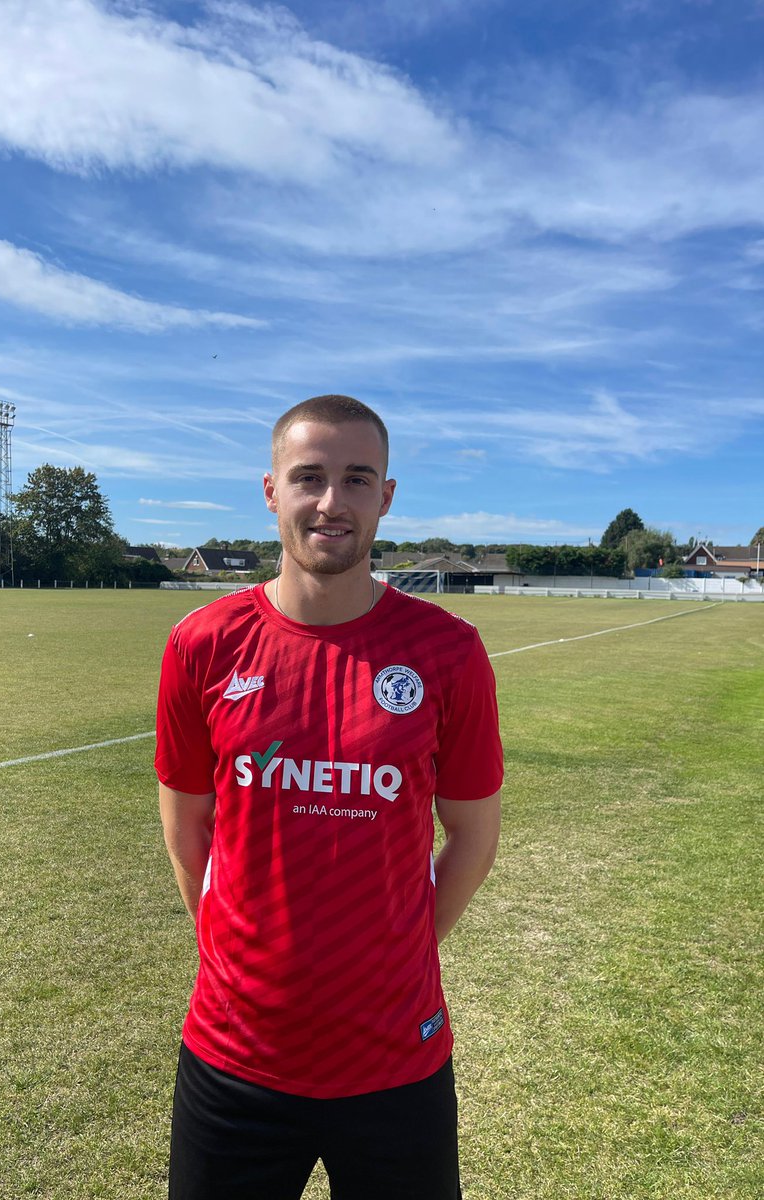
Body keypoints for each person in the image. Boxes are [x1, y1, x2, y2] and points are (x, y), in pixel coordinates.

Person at [155, 394, 503, 1200]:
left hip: (395, 1061)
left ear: (385, 496)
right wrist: (235, 954)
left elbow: (474, 840)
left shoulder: (448, 653)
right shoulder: (203, 644)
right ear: (271, 490)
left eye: (356, 478)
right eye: (309, 477)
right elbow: (187, 829)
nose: (331, 502)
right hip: (234, 1057)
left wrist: (402, 947)